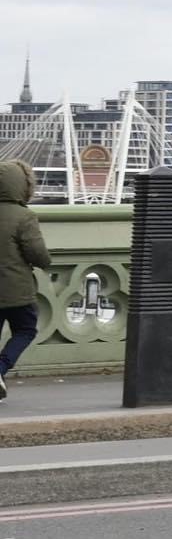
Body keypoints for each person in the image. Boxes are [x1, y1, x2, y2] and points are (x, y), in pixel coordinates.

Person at [0, 161, 50, 399]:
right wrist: (46, 262)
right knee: (25, 329)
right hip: (16, 290)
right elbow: (37, 253)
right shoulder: (24, 216)